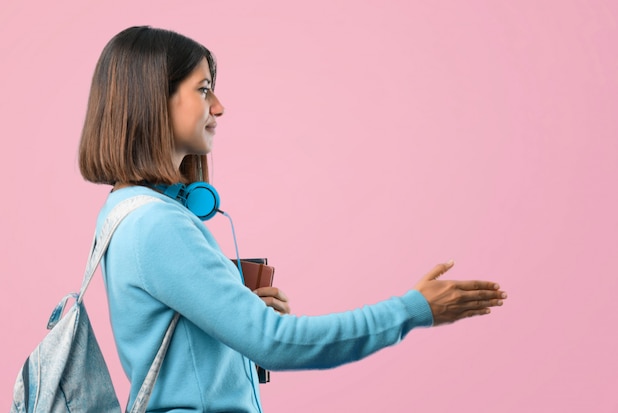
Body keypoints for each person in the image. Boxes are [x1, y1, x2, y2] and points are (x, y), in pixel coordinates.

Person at [78, 26, 507, 413]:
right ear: (156, 98)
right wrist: (413, 310)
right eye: (204, 90)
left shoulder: (126, 212)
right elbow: (275, 344)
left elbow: (185, 348)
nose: (220, 107)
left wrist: (237, 316)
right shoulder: (158, 225)